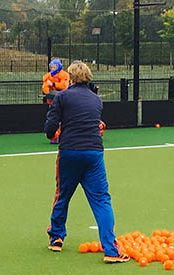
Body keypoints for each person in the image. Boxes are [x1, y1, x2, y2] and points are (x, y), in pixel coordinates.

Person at [44, 61, 129, 263]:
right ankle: (110, 250)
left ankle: (56, 238)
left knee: (63, 194)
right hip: (94, 154)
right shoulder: (96, 100)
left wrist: (56, 129)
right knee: (102, 200)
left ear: (71, 78)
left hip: (70, 152)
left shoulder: (62, 97)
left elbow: (50, 128)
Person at [42, 59, 69, 144]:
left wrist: (53, 85)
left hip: (63, 100)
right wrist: (49, 92)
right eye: (52, 67)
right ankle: (55, 136)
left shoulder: (64, 75)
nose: (53, 68)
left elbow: (64, 86)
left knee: (64, 119)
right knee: (54, 119)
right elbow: (45, 87)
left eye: (55, 67)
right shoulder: (47, 76)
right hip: (52, 101)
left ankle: (64, 136)